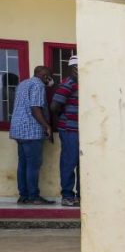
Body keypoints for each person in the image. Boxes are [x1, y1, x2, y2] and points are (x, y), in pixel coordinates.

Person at [9, 66, 54, 205]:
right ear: (44, 75)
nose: (50, 79)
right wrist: (47, 126)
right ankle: (34, 196)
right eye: (49, 76)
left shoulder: (23, 83)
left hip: (18, 130)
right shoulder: (38, 85)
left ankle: (23, 196)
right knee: (33, 165)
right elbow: (35, 109)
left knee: (23, 164)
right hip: (31, 131)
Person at [51, 55, 80, 207]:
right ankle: (67, 196)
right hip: (70, 129)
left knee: (83, 163)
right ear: (72, 68)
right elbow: (54, 106)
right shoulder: (68, 84)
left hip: (80, 129)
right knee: (69, 162)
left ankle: (81, 196)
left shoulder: (80, 83)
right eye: (76, 67)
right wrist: (64, 121)